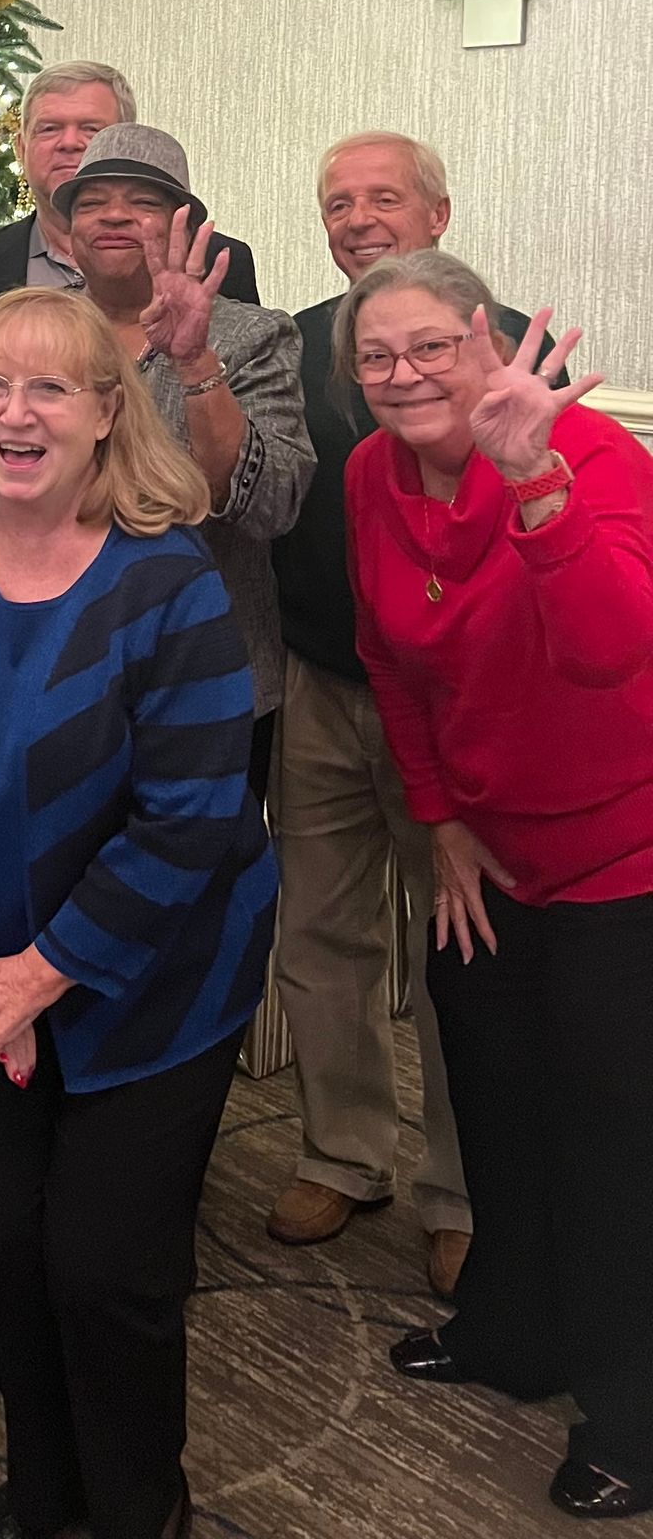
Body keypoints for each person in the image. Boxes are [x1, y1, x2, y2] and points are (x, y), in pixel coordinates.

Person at [0, 288, 276, 1539]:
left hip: (158, 977)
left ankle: (140, 1502)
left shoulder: (167, 575)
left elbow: (192, 815)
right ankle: (49, 1481)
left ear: (107, 413)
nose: (16, 412)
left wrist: (32, 978)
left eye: (50, 387)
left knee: (105, 1270)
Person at [339, 252, 653, 1523]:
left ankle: (634, 1412)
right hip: (487, 849)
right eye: (376, 354)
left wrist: (535, 483)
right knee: (496, 1099)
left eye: (431, 346)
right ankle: (515, 1331)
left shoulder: (590, 453)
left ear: (488, 341)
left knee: (616, 1136)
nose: (404, 374)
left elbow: (613, 648)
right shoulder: (371, 473)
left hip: (624, 846)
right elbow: (388, 655)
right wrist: (440, 818)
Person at [266, 134, 529, 1294]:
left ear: (439, 213)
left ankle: (462, 1190)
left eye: (384, 197)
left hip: (461, 705)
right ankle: (343, 1152)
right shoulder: (298, 343)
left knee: (458, 946)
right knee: (322, 933)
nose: (359, 217)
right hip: (323, 680)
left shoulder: (508, 343)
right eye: (339, 202)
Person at [55, 124, 311, 794]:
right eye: (91, 202)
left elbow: (273, 503)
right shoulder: (32, 328)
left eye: (141, 201)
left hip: (208, 677)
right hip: (55, 672)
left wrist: (195, 360)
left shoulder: (254, 335)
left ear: (184, 226)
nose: (113, 215)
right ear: (69, 232)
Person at [0, 61, 259, 308]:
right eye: (49, 129)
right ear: (21, 148)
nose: (69, 143)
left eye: (91, 129)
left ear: (126, 143)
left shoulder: (220, 261)